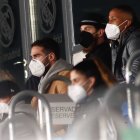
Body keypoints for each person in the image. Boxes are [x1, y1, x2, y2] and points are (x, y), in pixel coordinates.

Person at [65, 58, 117, 140]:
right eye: (71, 81)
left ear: (90, 82)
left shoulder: (103, 104)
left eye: (76, 80)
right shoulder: (83, 104)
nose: (72, 86)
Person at [29, 37, 72, 106]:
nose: (33, 61)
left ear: (51, 57)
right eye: (32, 57)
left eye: (36, 56)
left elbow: (67, 110)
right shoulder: (45, 79)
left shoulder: (64, 77)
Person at [105, 5, 140, 83]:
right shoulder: (116, 41)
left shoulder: (135, 39)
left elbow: (138, 61)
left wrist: (126, 88)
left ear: (127, 23)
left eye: (113, 19)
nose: (109, 23)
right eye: (109, 19)